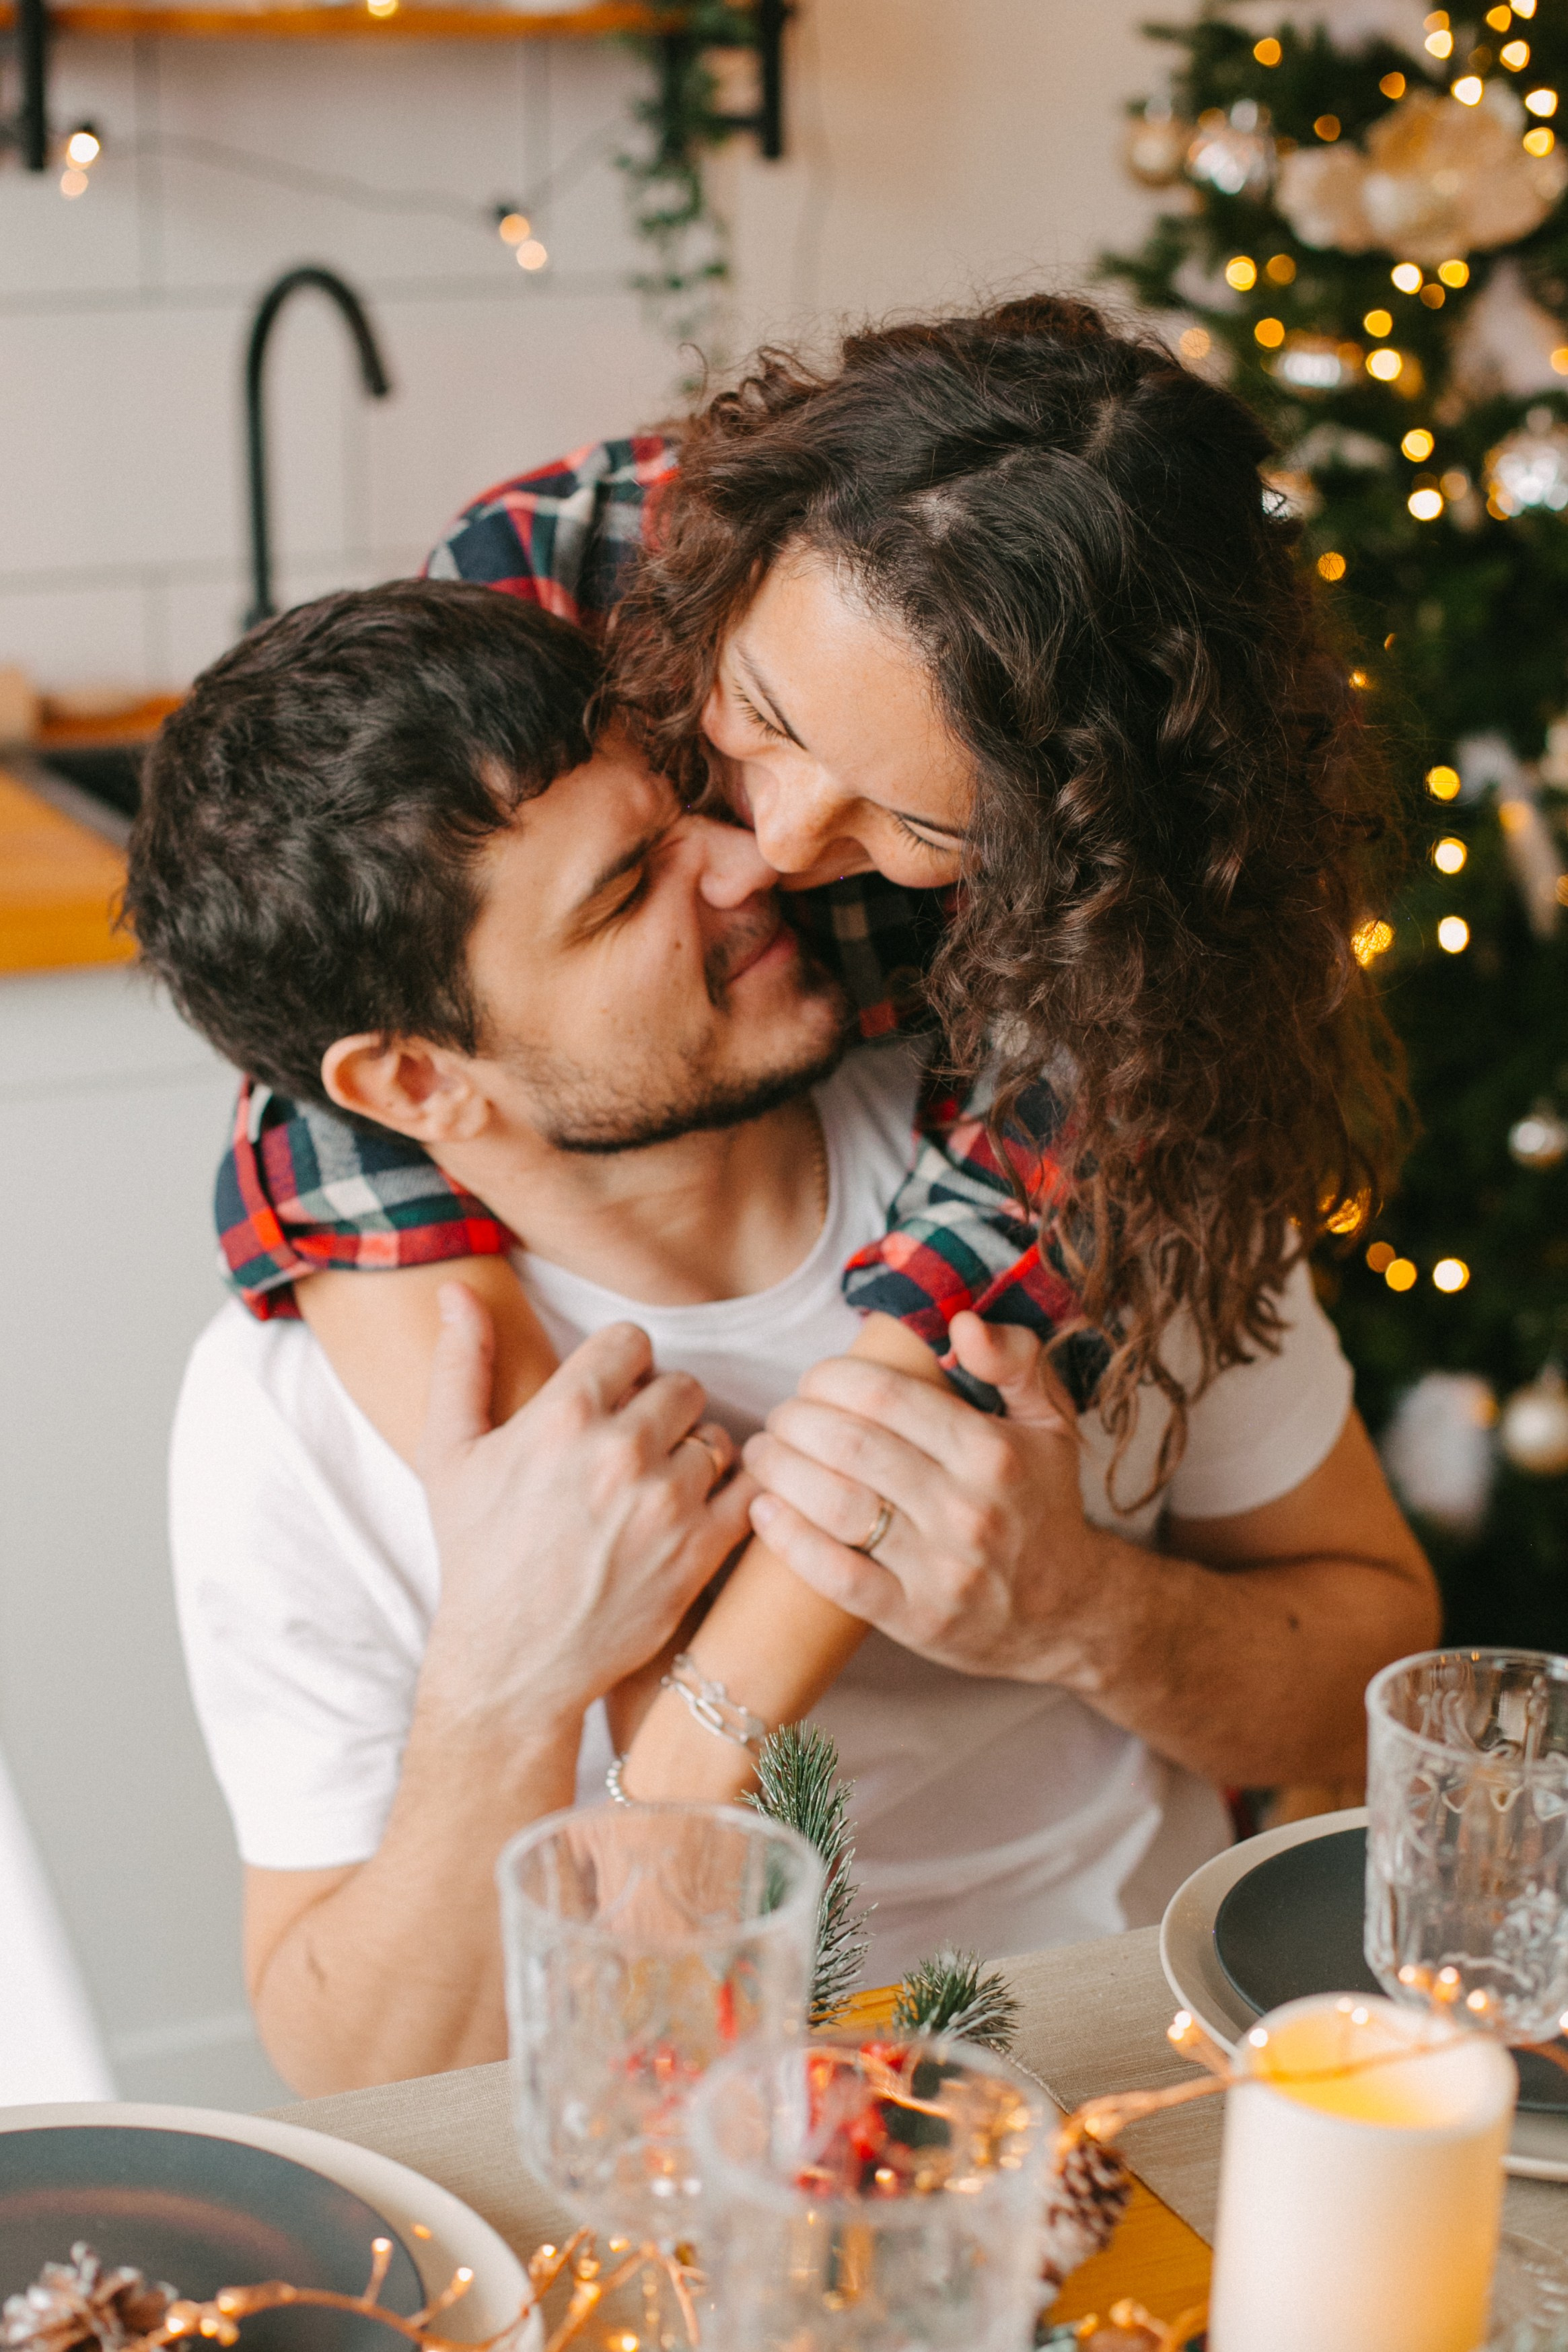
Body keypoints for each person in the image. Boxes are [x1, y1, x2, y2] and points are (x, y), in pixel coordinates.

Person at [128, 581, 1433, 2096]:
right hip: (683, 2161)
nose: (753, 860)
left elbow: (1377, 1651)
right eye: (626, 892)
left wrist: (1078, 1609)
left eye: (686, 802)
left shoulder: (1075, 1145)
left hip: (1138, 2055)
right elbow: (357, 2065)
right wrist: (504, 1674)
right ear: (416, 1080)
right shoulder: (283, 1416)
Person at [204, 293, 1431, 1806]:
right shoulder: (559, 568)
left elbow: (1021, 1239)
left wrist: (681, 1779)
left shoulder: (1141, 968)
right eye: (757, 718)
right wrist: (536, 1545)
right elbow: (343, 1007)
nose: (768, 844)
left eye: (915, 823)